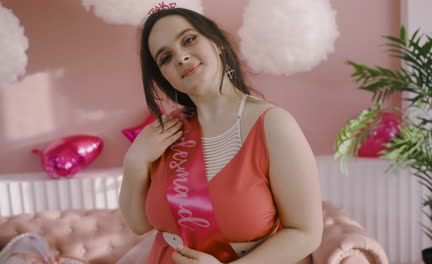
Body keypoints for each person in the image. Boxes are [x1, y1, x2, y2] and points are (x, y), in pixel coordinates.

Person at [119, 7, 323, 264]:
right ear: (164, 77)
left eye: (189, 39)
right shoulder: (164, 133)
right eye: (166, 58)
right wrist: (135, 162)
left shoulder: (273, 125)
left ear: (216, 43)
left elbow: (306, 234)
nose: (181, 57)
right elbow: (139, 225)